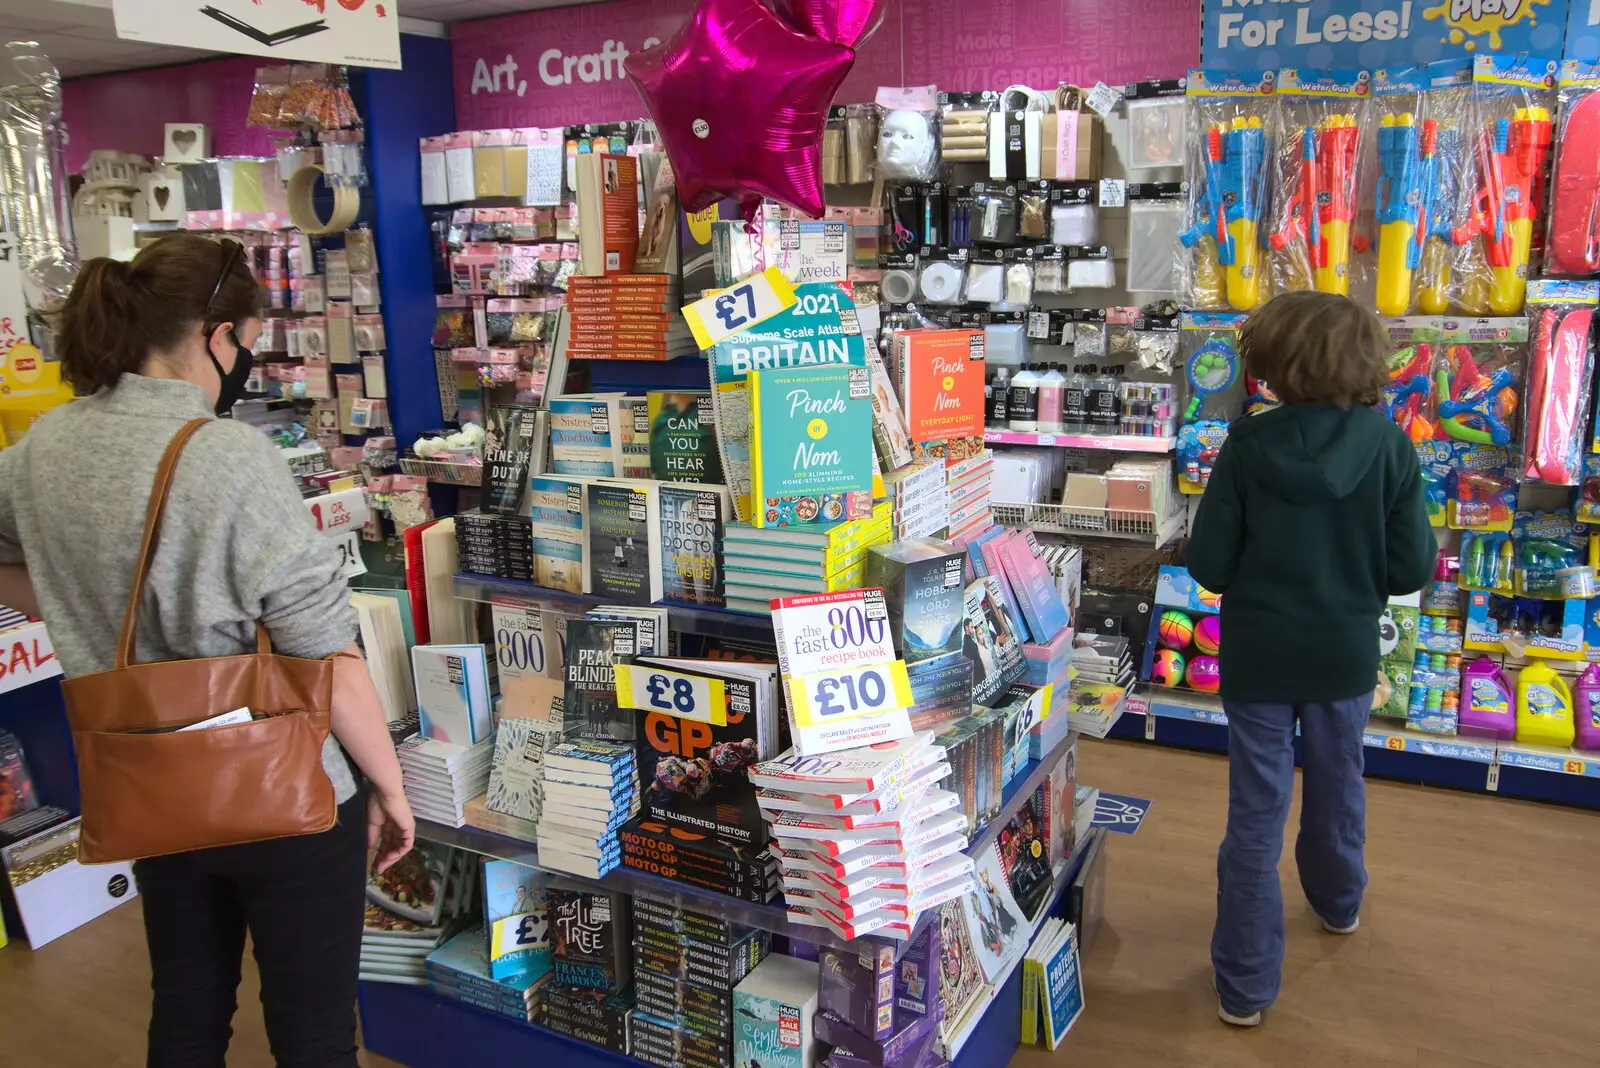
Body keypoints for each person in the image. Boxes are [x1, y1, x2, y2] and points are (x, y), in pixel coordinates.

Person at [0, 234, 415, 1066]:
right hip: (283, 790)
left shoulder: (42, 448)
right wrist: (392, 787)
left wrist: (91, 608)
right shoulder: (228, 455)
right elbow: (326, 657)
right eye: (249, 342)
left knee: (186, 1007)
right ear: (218, 337)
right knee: (314, 1028)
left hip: (148, 781)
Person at [1186, 291, 1435, 1028]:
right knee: (1339, 782)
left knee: (1255, 811)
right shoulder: (1391, 447)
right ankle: (1338, 902)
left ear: (1271, 363)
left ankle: (1245, 984)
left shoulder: (1247, 445)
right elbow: (1410, 567)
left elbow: (1209, 563)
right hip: (1344, 654)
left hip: (1259, 654)